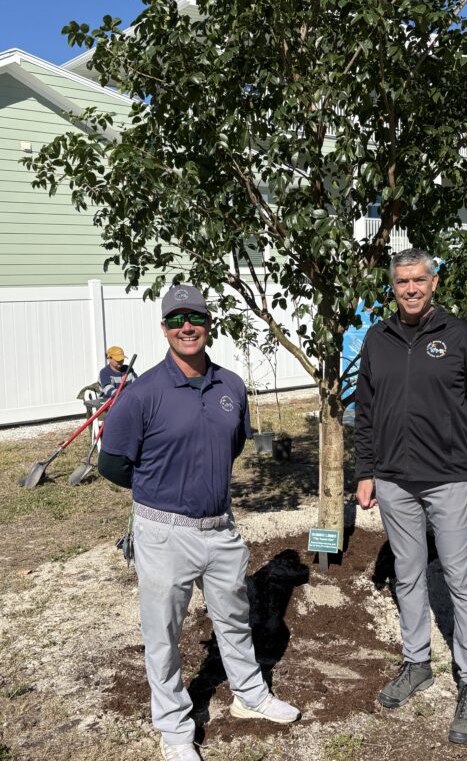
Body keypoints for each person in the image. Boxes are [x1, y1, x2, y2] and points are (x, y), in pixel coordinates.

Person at [98, 284, 299, 761]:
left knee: (233, 618)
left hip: (220, 529)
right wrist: (162, 490)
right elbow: (112, 465)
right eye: (175, 319)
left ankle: (250, 695)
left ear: (209, 324)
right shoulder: (142, 392)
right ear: (164, 327)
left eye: (195, 318)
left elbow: (230, 447)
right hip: (163, 531)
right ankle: (173, 727)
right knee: (163, 633)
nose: (186, 327)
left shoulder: (230, 385)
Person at [354, 248, 467, 746]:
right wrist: (366, 472)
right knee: (407, 575)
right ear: (391, 287)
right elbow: (366, 412)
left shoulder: (460, 337)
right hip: (394, 481)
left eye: (418, 280)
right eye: (402, 282)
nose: (410, 289)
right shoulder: (378, 339)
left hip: (452, 479)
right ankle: (417, 662)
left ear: (434, 282)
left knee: (462, 580)